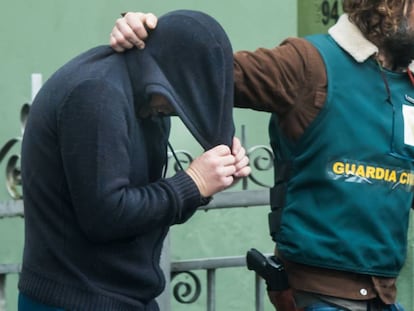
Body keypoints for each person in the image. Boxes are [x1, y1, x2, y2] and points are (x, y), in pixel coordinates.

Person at [109, 1, 414, 310]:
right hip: (317, 294)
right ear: (387, 6)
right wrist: (143, 33)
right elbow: (208, 69)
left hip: (383, 295)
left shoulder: (408, 84)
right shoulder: (308, 64)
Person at [18, 9, 251, 311]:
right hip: (74, 299)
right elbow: (106, 216)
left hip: (117, 296)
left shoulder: (144, 97)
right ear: (170, 71)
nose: (177, 110)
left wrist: (207, 181)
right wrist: (193, 183)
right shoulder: (97, 93)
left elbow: (143, 209)